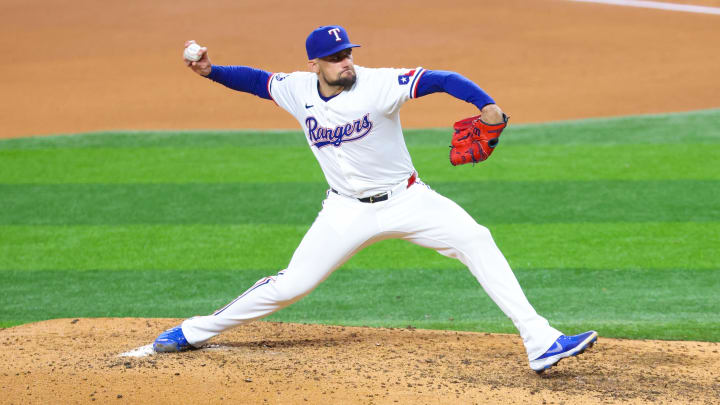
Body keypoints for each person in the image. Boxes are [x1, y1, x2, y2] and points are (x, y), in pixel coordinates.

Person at [153, 25, 597, 373]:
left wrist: (489, 108)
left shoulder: (380, 84)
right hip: (344, 210)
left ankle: (539, 341)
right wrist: (211, 71)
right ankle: (193, 331)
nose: (345, 62)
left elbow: (444, 79)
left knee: (476, 239)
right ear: (315, 65)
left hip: (408, 200)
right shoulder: (298, 90)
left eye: (348, 53)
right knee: (291, 286)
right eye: (334, 57)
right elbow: (257, 81)